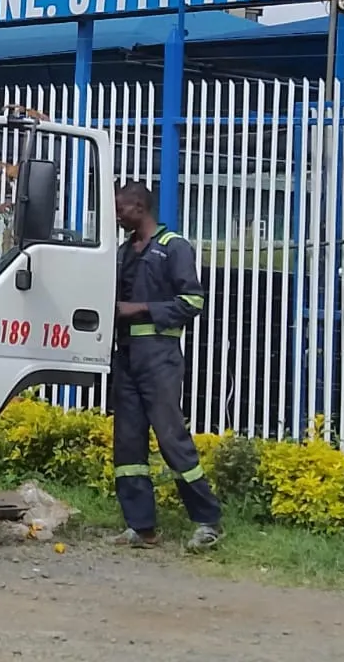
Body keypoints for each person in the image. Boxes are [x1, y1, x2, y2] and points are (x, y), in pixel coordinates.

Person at [110, 181, 222, 550]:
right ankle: (141, 527)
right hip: (125, 355)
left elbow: (192, 301)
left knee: (172, 438)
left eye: (121, 209)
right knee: (128, 445)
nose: (116, 215)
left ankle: (208, 522)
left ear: (139, 207)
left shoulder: (174, 247)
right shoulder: (125, 251)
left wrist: (139, 309)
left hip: (159, 355)